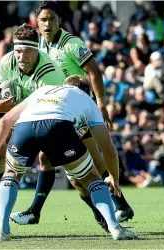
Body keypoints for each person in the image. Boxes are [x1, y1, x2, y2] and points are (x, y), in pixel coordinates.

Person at [11, 0, 134, 226]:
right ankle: (120, 206)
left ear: (59, 21)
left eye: (52, 19)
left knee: (81, 162)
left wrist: (101, 105)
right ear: (36, 22)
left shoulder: (71, 43)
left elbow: (94, 72)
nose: (47, 24)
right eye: (43, 20)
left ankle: (115, 207)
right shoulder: (38, 46)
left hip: (77, 110)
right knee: (56, 159)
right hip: (59, 110)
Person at [0, 75, 138, 241]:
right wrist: (114, 178)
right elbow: (108, 148)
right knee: (91, 178)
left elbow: (4, 122)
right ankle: (115, 228)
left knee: (11, 174)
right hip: (58, 126)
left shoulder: (43, 91)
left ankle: (2, 231)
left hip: (25, 127)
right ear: (87, 92)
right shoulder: (86, 100)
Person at [0, 24, 66, 232]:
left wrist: (7, 107)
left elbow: (41, 111)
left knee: (75, 173)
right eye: (18, 51)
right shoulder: (8, 61)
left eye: (27, 51)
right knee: (3, 157)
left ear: (37, 49)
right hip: (21, 118)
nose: (21, 56)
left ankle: (110, 210)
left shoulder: (49, 73)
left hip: (50, 117)